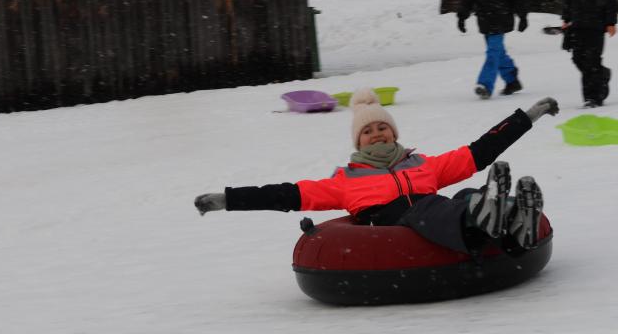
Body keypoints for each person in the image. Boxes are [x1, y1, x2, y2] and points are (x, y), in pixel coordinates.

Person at [194, 88, 559, 255]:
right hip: (393, 223)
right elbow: (284, 194)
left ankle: (513, 221)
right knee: (431, 207)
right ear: (359, 142)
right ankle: (486, 214)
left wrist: (527, 117)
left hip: (436, 211)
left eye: (382, 127)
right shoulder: (345, 181)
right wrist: (228, 199)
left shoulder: (422, 164)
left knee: (464, 195)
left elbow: (478, 152)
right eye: (367, 131)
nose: (376, 133)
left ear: (393, 132)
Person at [457, 0, 528, 100]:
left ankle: (485, 84)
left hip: (501, 17)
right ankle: (512, 80)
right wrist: (462, 16)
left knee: (493, 52)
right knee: (498, 53)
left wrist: (523, 16)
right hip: (484, 18)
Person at [561, 0, 618, 108]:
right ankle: (603, 75)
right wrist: (566, 18)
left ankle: (593, 97)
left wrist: (610, 22)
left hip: (596, 24)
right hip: (577, 24)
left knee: (592, 60)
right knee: (578, 58)